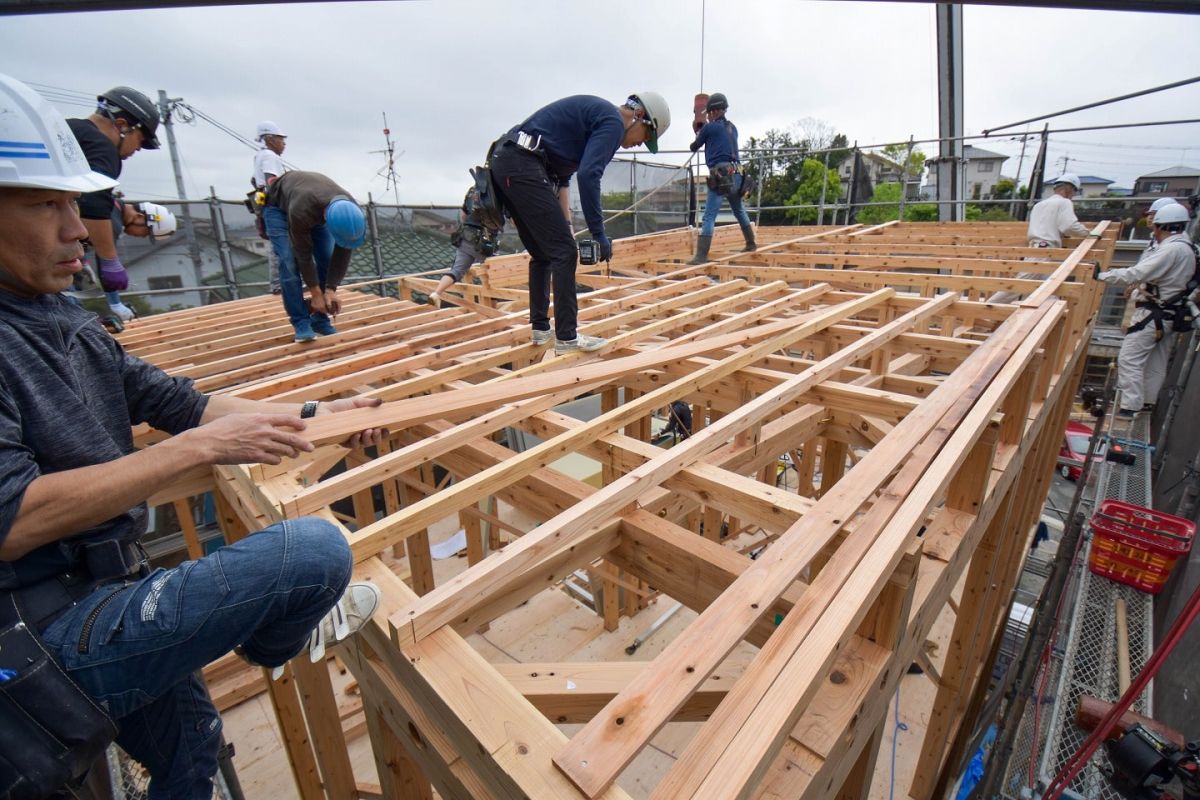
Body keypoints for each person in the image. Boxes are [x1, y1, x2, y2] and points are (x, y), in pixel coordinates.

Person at [0, 73, 384, 797]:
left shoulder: (65, 323)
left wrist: (319, 412)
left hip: (102, 587)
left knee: (194, 746)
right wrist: (193, 450)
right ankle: (282, 636)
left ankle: (269, 636)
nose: (77, 229)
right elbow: (13, 518)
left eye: (71, 205)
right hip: (28, 632)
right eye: (44, 204)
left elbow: (186, 404)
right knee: (313, 550)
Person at [488, 91, 670, 354]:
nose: (640, 144)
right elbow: (588, 176)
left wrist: (567, 227)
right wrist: (598, 233)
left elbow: (563, 179)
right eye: (646, 137)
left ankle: (541, 329)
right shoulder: (613, 122)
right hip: (522, 164)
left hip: (508, 161)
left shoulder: (592, 123)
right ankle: (567, 338)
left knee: (544, 252)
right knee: (563, 252)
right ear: (639, 117)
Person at [67, 86, 162, 322]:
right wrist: (110, 261)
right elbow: (93, 206)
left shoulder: (67, 130)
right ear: (121, 126)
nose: (138, 148)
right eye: (140, 140)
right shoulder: (101, 148)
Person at [1097, 202, 1198, 415]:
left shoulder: (1171, 250)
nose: (1154, 230)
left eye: (1155, 226)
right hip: (1170, 314)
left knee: (1129, 358)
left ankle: (1129, 406)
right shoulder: (1189, 248)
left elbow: (1137, 272)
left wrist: (1102, 276)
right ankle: (1147, 402)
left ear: (1163, 226)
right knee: (1156, 361)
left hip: (1154, 314)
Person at [263, 170, 367, 342]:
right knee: (289, 262)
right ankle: (301, 322)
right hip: (278, 210)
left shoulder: (348, 210)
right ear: (327, 216)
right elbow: (303, 254)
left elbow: (344, 247)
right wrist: (316, 293)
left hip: (316, 208)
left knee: (326, 255)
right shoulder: (301, 209)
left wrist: (331, 289)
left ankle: (319, 319)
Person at [988, 174, 1091, 304]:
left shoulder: (1039, 205)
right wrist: (1089, 233)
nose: (1073, 196)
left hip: (1037, 248)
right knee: (1018, 285)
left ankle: (1038, 319)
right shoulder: (1064, 202)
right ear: (1069, 189)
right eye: (1074, 192)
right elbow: (1069, 226)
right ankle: (984, 309)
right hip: (1045, 250)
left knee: (1047, 290)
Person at [688, 92, 756, 265]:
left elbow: (694, 146)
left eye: (710, 113)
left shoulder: (710, 128)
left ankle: (701, 256)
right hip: (738, 175)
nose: (708, 116)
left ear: (715, 111)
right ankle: (751, 243)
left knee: (709, 215)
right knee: (738, 209)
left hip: (721, 176)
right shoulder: (733, 128)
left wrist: (699, 130)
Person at [426, 184, 504, 306]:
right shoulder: (499, 191)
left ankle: (436, 293)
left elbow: (463, 214)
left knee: (456, 271)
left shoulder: (473, 191)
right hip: (485, 241)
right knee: (493, 274)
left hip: (466, 237)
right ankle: (493, 309)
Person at [253, 121, 288, 294]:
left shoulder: (260, 156)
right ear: (270, 139)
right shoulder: (269, 156)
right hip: (275, 205)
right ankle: (279, 284)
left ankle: (278, 284)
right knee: (281, 244)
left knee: (278, 245)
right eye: (281, 139)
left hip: (267, 205)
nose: (284, 144)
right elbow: (271, 181)